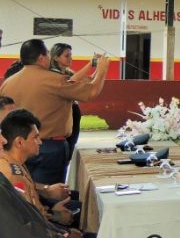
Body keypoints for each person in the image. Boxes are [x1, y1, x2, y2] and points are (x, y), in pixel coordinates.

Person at [0, 39, 109, 185]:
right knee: (51, 194)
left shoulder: (8, 82)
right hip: (49, 148)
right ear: (41, 58)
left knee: (23, 192)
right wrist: (102, 70)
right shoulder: (53, 80)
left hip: (16, 146)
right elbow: (91, 92)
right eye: (48, 55)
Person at [0, 109, 83, 233]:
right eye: (36, 137)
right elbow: (27, 220)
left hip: (43, 219)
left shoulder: (16, 162)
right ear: (19, 142)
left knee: (83, 206)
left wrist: (51, 206)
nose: (40, 142)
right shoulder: (13, 174)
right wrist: (58, 220)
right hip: (40, 228)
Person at [48, 43, 99, 164]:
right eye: (67, 55)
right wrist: (90, 64)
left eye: (71, 55)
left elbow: (86, 82)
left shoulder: (68, 72)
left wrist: (99, 69)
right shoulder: (53, 74)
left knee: (71, 146)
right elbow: (72, 81)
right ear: (55, 57)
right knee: (65, 146)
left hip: (73, 112)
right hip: (61, 114)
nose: (71, 58)